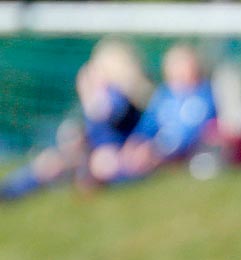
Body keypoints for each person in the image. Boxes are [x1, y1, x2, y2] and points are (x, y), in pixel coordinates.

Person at [0, 38, 151, 201]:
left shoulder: (116, 97)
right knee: (50, 161)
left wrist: (87, 92)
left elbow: (105, 115)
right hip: (92, 154)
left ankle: (10, 191)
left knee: (97, 163)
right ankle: (10, 190)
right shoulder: (107, 95)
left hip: (111, 157)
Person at [91, 43, 215, 185]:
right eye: (174, 66)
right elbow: (148, 125)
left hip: (179, 154)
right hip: (155, 150)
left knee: (134, 161)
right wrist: (135, 143)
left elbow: (194, 133)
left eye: (182, 65)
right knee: (109, 159)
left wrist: (157, 151)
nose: (179, 71)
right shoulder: (164, 95)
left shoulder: (203, 96)